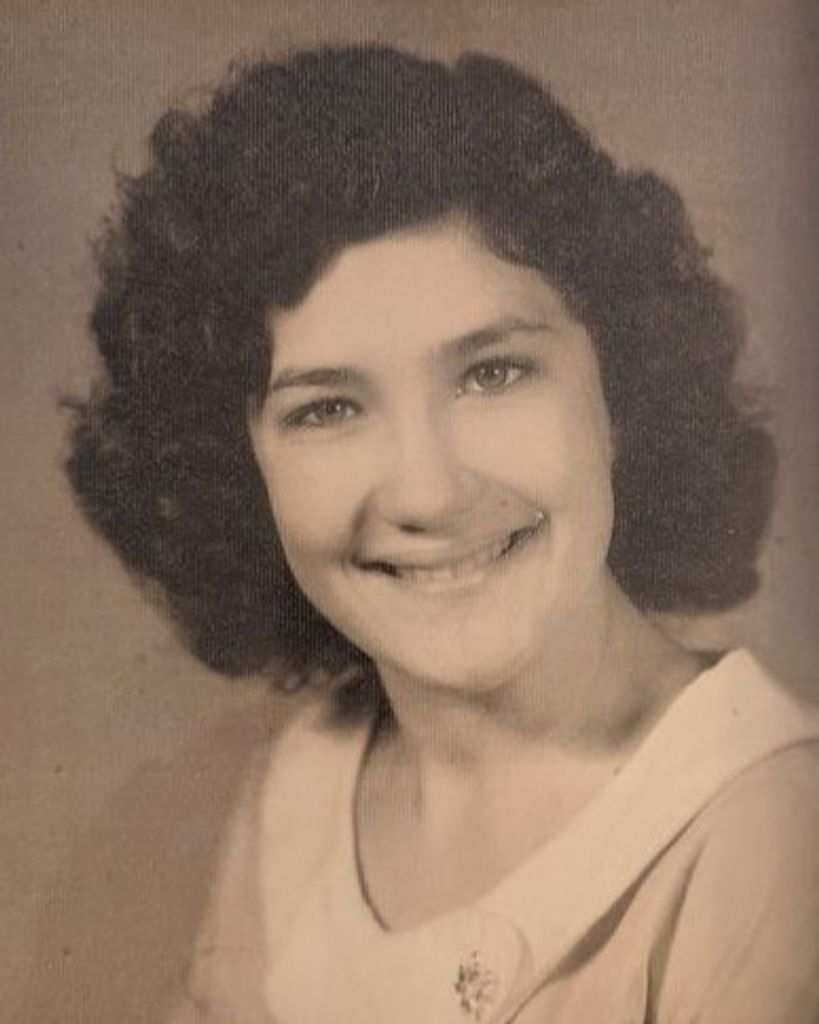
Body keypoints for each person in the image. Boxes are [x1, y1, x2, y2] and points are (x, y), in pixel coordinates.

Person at [66, 44, 819, 1024]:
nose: (428, 490)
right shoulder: (302, 786)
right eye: (328, 409)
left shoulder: (771, 847)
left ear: (620, 390)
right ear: (241, 466)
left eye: (492, 373)